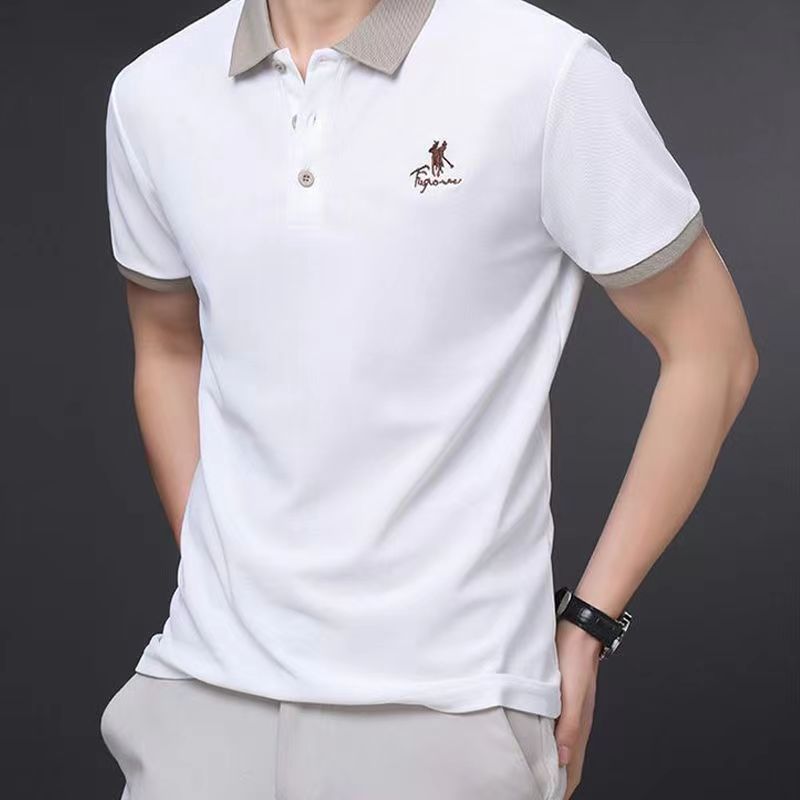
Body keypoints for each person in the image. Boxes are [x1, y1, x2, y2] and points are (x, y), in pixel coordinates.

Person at [98, 1, 758, 798]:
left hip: (450, 708)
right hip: (200, 701)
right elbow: (166, 349)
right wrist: (221, 571)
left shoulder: (543, 72)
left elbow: (713, 352)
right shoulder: (153, 94)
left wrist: (588, 623)